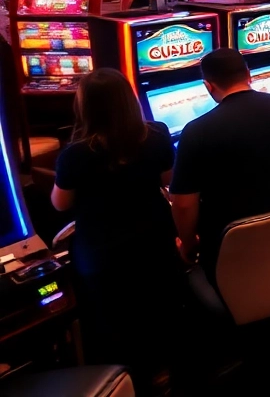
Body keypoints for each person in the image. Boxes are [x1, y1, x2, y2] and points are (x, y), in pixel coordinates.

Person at [51, 69, 181, 392]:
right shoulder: (158, 134)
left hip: (103, 257)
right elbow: (169, 180)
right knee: (157, 308)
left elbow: (60, 204)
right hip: (156, 242)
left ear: (86, 109)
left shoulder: (76, 154)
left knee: (114, 324)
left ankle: (126, 379)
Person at [170, 48, 270, 280]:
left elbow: (183, 205)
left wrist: (189, 244)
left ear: (208, 86)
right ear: (249, 75)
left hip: (234, 247)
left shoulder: (195, 131)